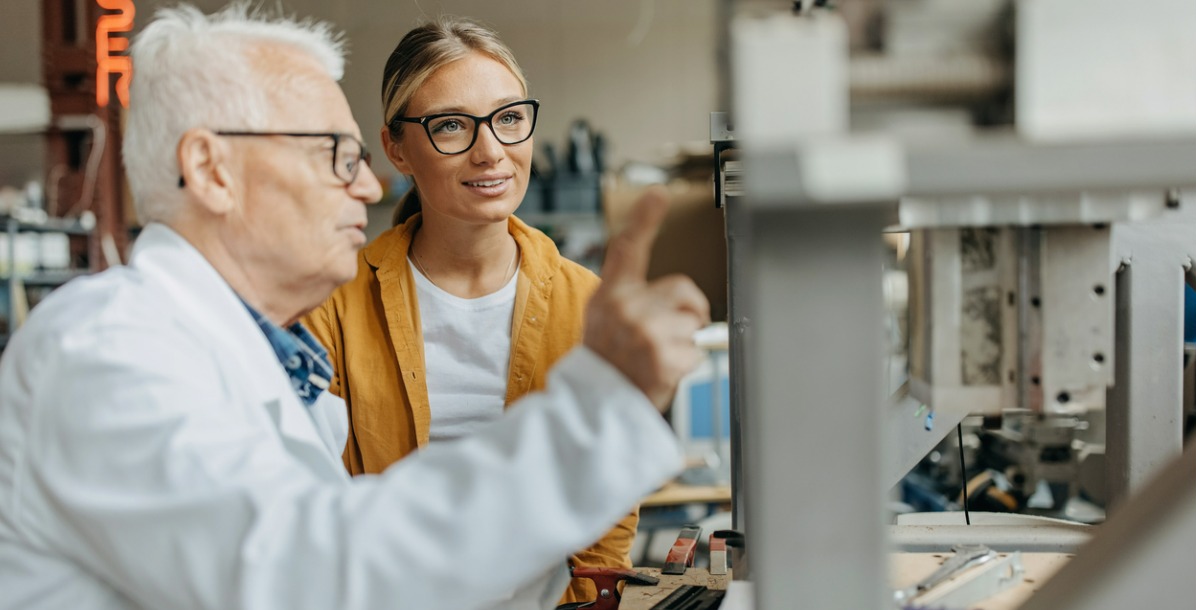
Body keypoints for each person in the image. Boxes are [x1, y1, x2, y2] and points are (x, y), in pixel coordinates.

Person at [0, 4, 709, 610]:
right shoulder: (106, 350)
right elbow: (319, 571)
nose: (367, 188)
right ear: (213, 170)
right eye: (336, 154)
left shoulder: (251, 356)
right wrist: (599, 410)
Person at [299, 19, 632, 605]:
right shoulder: (332, 303)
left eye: (508, 119)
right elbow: (311, 502)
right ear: (396, 148)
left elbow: (606, 515)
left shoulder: (587, 303)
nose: (491, 152)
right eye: (452, 125)